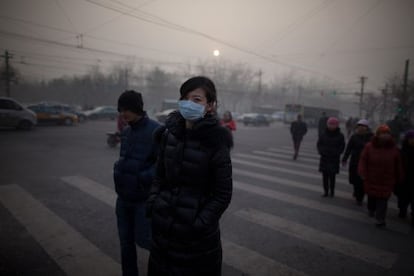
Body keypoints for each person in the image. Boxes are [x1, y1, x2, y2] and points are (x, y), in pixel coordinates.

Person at [147, 76, 233, 276]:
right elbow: (159, 176)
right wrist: (154, 203)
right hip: (163, 235)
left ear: (210, 106)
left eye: (196, 100)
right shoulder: (168, 135)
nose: (188, 104)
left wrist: (198, 224)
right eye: (185, 98)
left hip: (197, 244)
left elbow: (222, 195)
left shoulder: (216, 143)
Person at [113, 90, 160, 276]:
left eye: (127, 109)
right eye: (121, 110)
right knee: (126, 244)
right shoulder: (126, 132)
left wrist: (143, 178)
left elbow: (162, 164)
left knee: (145, 241)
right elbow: (124, 158)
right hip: (123, 199)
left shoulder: (156, 130)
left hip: (143, 200)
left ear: (137, 108)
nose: (123, 114)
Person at [358, 125, 403, 227]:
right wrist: (362, 172)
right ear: (378, 135)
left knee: (383, 200)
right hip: (371, 177)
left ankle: (380, 219)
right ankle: (371, 209)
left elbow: (398, 165)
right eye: (382, 133)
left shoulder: (394, 149)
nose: (385, 135)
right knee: (372, 196)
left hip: (387, 180)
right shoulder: (369, 146)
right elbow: (363, 160)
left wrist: (400, 177)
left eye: (387, 133)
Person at [341, 119, 373, 205]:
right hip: (354, 161)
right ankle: (356, 191)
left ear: (367, 128)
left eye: (363, 126)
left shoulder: (371, 137)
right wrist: (344, 159)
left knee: (361, 180)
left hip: (366, 162)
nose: (361, 128)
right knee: (354, 179)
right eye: (359, 126)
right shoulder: (354, 137)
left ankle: (360, 197)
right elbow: (348, 148)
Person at [317, 117, 345, 197]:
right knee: (325, 176)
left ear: (337, 125)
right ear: (327, 125)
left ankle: (332, 191)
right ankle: (326, 191)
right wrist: (321, 151)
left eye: (333, 125)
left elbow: (342, 146)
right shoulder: (323, 134)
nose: (331, 126)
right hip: (324, 158)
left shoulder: (340, 135)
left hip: (334, 159)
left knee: (332, 177)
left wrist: (337, 153)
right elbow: (319, 144)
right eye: (330, 124)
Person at [395, 130, 414, 225]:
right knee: (403, 197)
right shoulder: (402, 151)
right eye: (411, 139)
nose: (413, 140)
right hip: (404, 179)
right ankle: (402, 210)